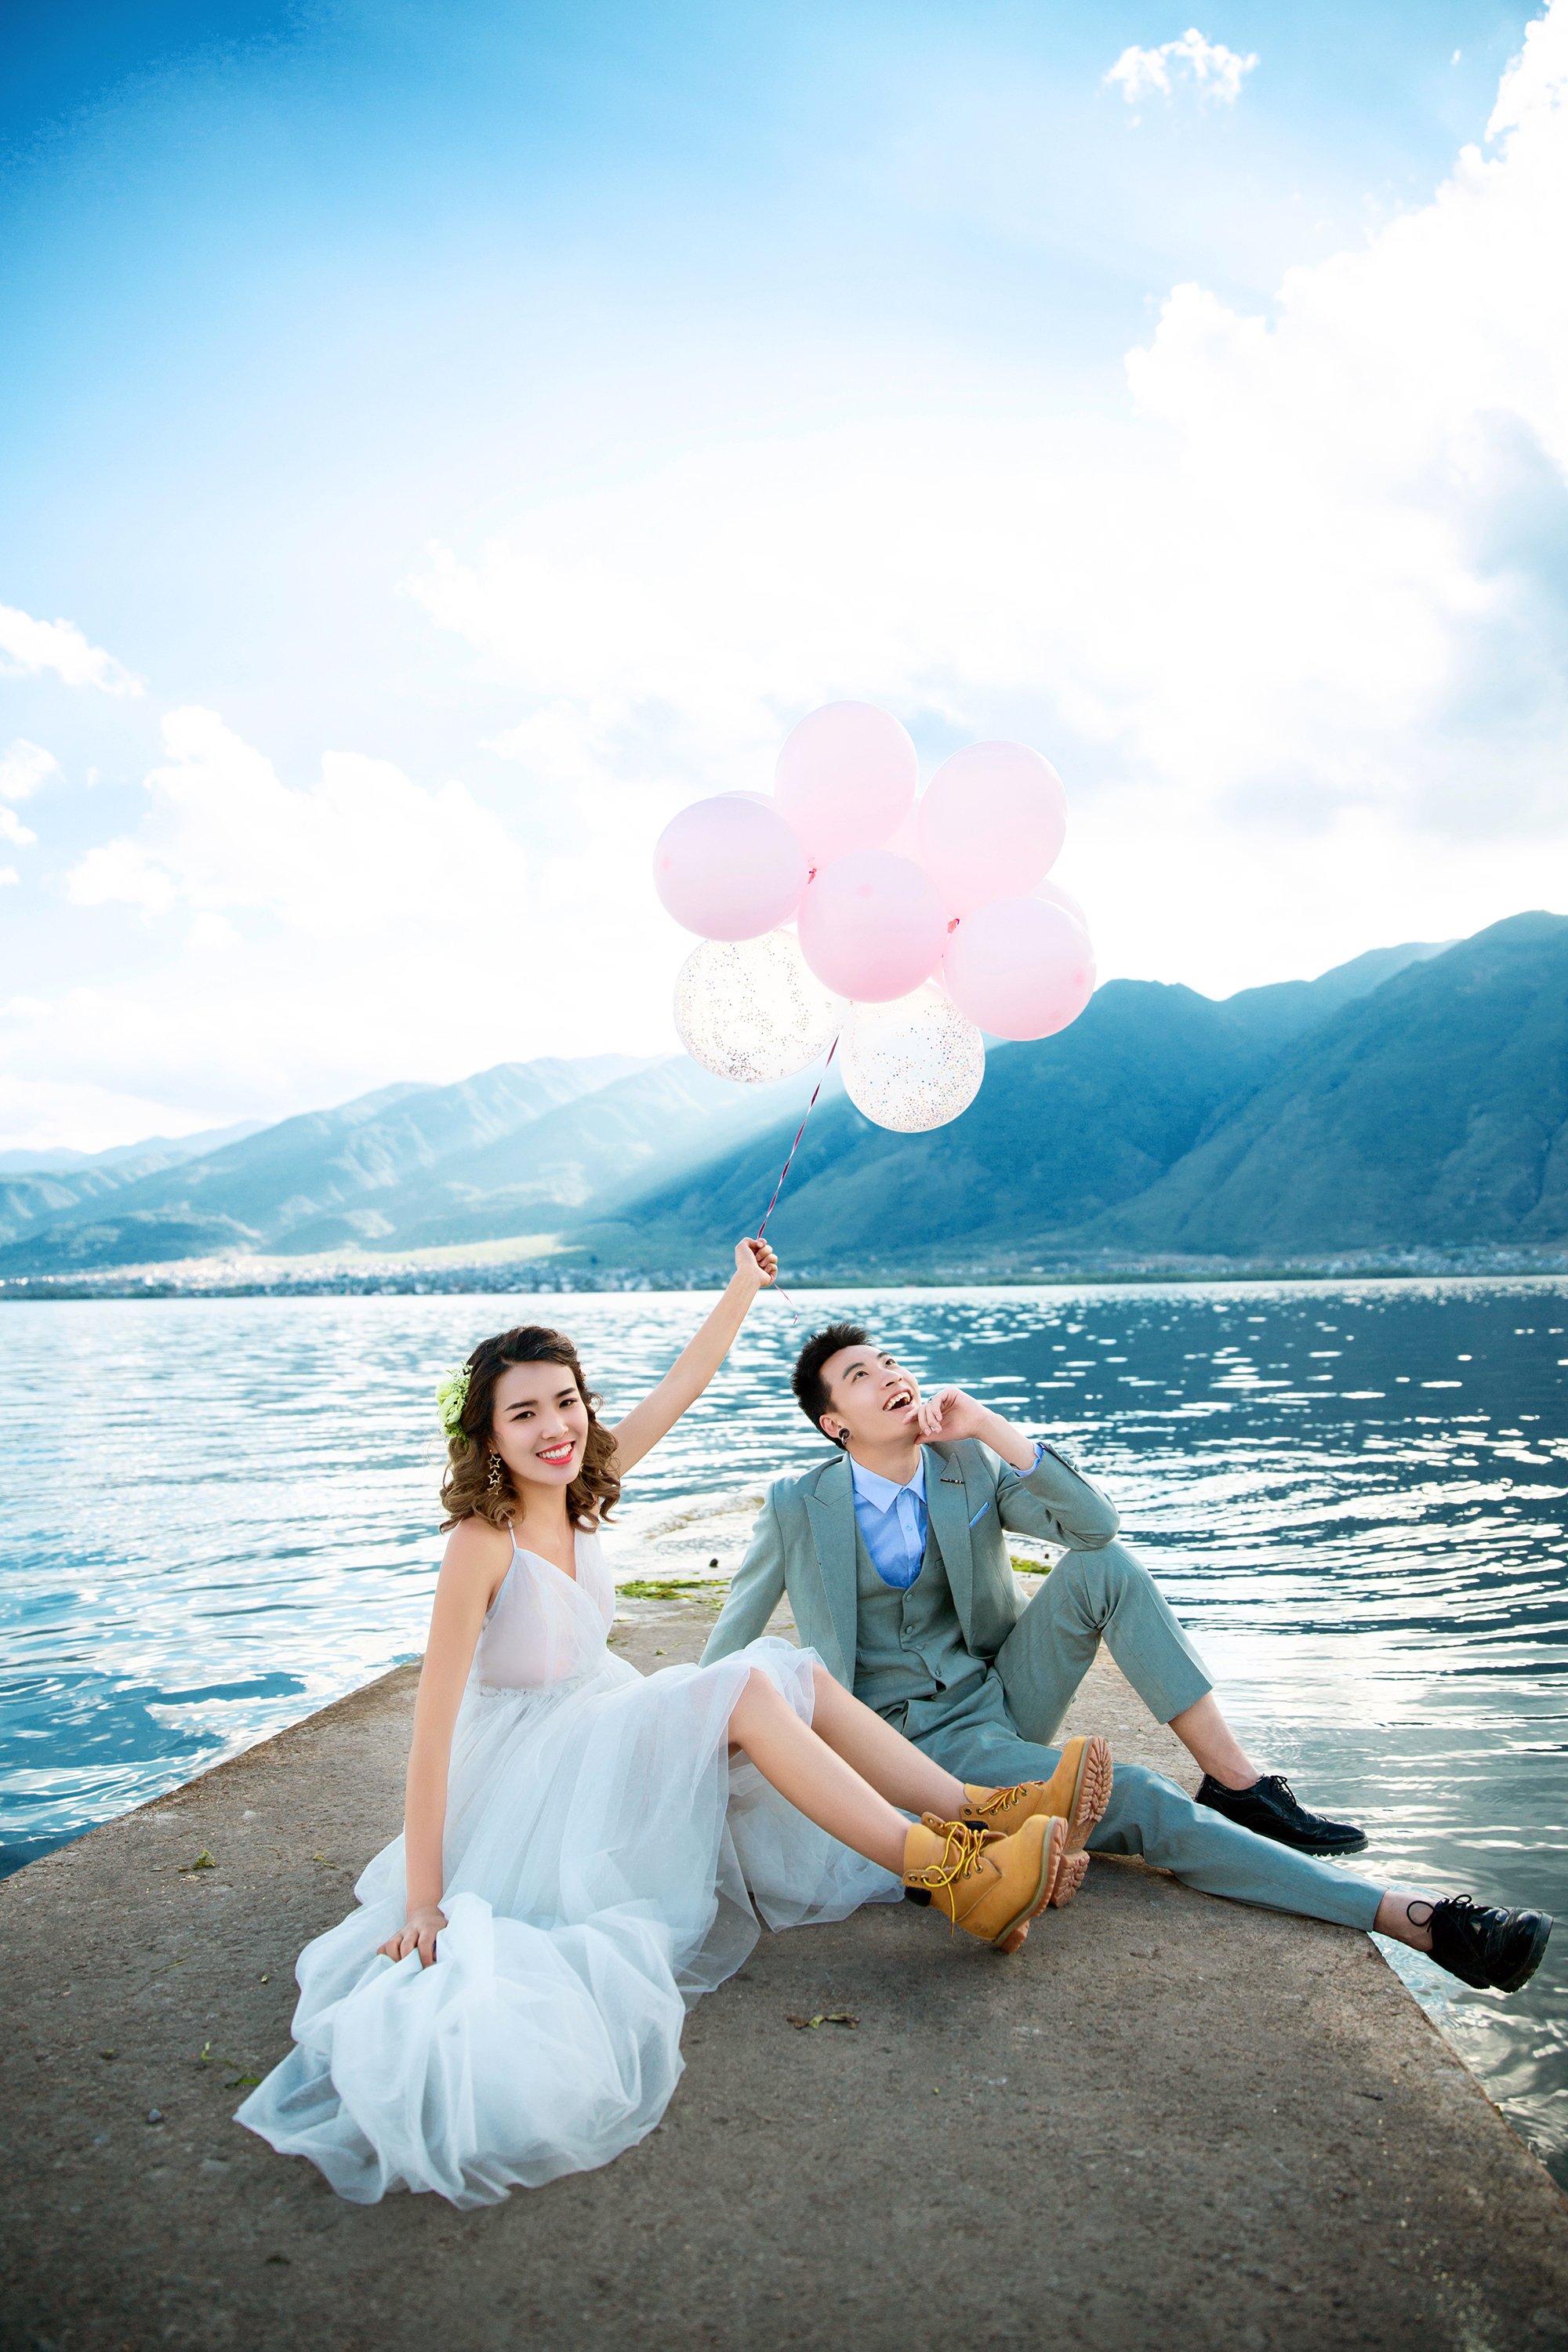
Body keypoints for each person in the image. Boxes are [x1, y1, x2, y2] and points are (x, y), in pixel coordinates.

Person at [237, 1246, 1108, 2211]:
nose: (554, 1427)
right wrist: (423, 1900)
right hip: (535, 1775)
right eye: (523, 1414)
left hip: (595, 1723)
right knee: (744, 1691)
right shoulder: (480, 1544)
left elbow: (685, 1384)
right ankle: (955, 1879)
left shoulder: (583, 1486)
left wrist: (743, 1284)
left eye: (565, 1402)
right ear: (485, 1435)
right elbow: (431, 1733)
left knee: (795, 1671)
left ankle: (984, 1810)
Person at [702, 1322, 1553, 1998]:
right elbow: (731, 1643)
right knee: (1138, 1795)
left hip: (996, 1693)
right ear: (834, 1424)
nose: (890, 1375)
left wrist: (991, 1428)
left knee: (1105, 1568)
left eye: (891, 1361)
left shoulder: (964, 1464)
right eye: (860, 1375)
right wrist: (695, 1753)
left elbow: (1095, 1527)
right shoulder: (796, 1505)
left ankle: (1237, 1785)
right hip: (900, 1744)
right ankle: (1414, 1919)